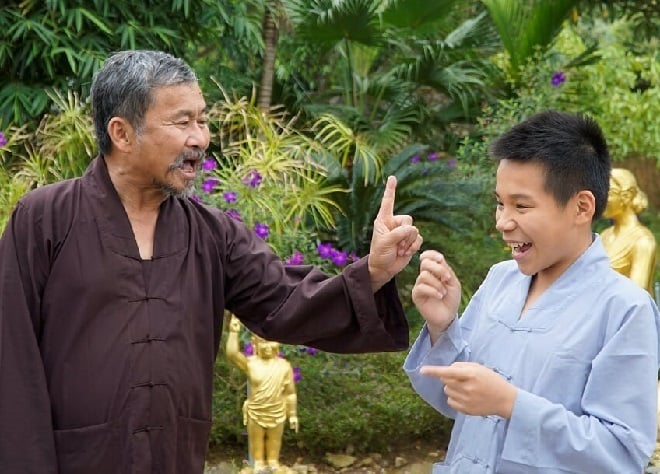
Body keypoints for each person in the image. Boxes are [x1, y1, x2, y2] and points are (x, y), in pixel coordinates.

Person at [0, 50, 422, 474]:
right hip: (76, 460)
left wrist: (374, 271)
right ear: (122, 134)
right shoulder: (44, 219)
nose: (200, 138)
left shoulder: (211, 233)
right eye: (182, 122)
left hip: (175, 458)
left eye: (202, 121)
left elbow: (287, 300)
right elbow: (11, 358)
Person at [404, 110, 660, 473]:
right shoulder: (500, 280)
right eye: (499, 203)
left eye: (521, 205)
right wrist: (442, 328)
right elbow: (458, 401)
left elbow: (620, 454)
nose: (502, 222)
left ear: (581, 207)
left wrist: (512, 405)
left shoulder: (626, 309)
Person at [226, 315, 297, 473]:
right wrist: (233, 331)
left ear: (278, 342)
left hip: (277, 410)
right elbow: (232, 354)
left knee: (274, 439)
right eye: (263, 341)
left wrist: (292, 414)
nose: (267, 346)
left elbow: (290, 393)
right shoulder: (250, 364)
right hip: (256, 410)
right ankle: (258, 463)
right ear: (255, 343)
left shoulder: (284, 366)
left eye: (271, 341)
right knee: (256, 440)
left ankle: (273, 461)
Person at [601, 167, 656, 297]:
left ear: (626, 196)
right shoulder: (604, 236)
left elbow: (635, 296)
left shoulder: (643, 241)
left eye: (608, 193)